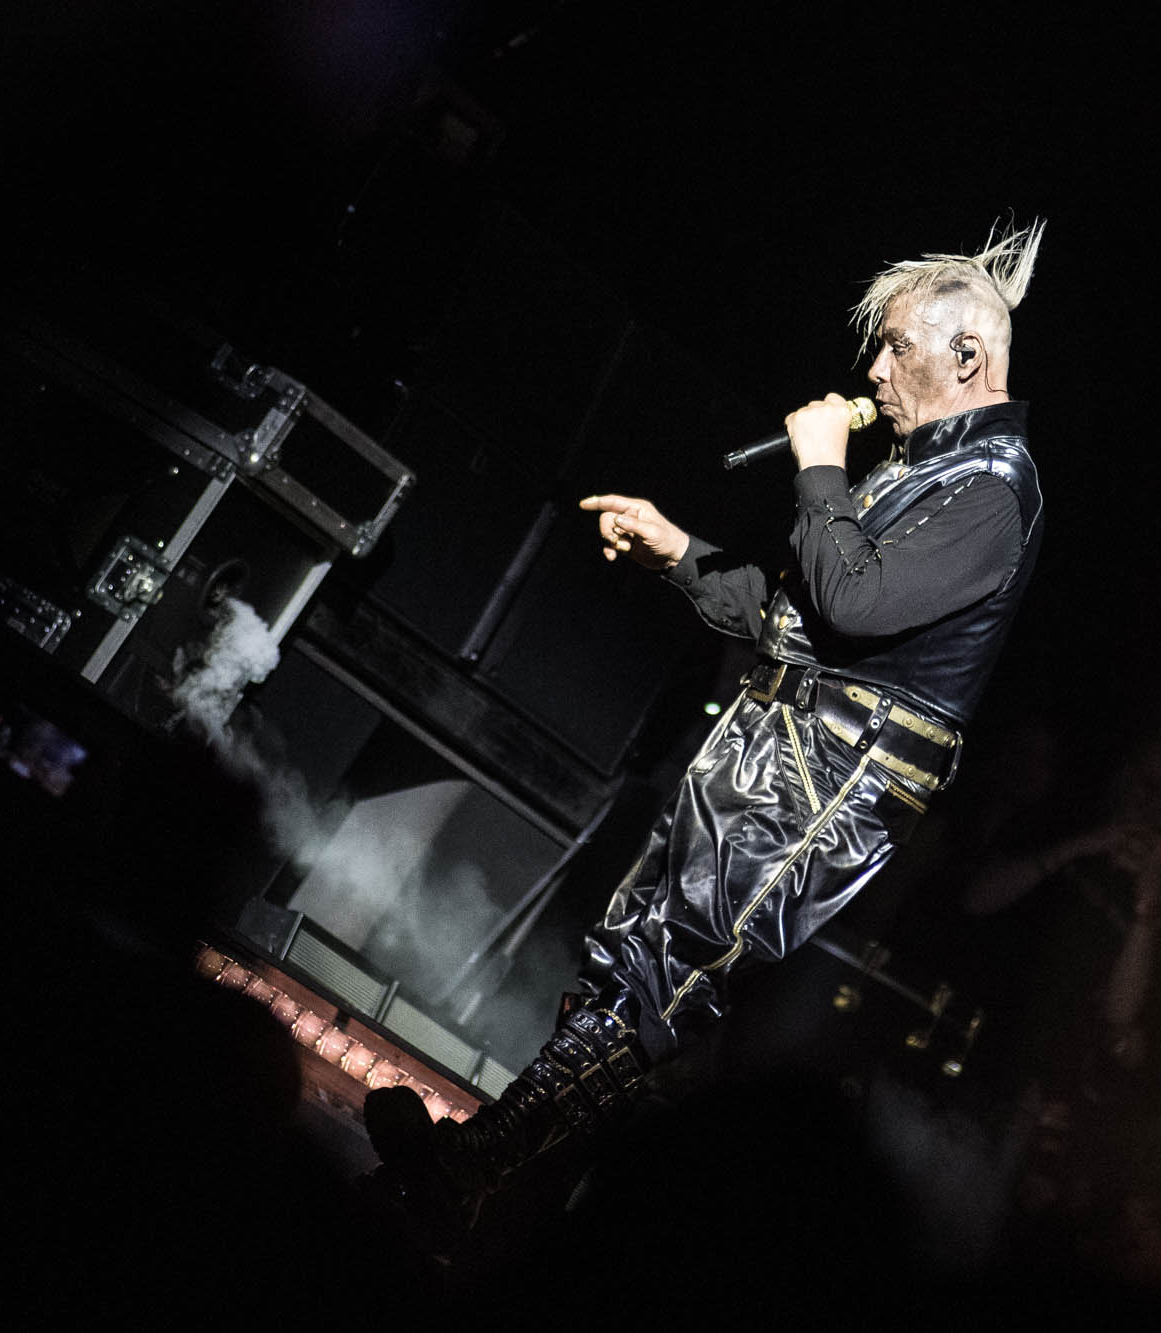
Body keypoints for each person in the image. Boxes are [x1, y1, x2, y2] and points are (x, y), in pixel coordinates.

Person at [367, 221, 1048, 1213]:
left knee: (668, 973)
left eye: (897, 346)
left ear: (968, 356)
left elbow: (854, 604)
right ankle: (514, 1196)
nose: (873, 369)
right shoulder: (923, 469)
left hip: (835, 776)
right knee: (633, 954)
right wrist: (679, 553)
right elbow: (801, 615)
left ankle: (470, 1174)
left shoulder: (994, 490)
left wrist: (819, 467)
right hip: (782, 744)